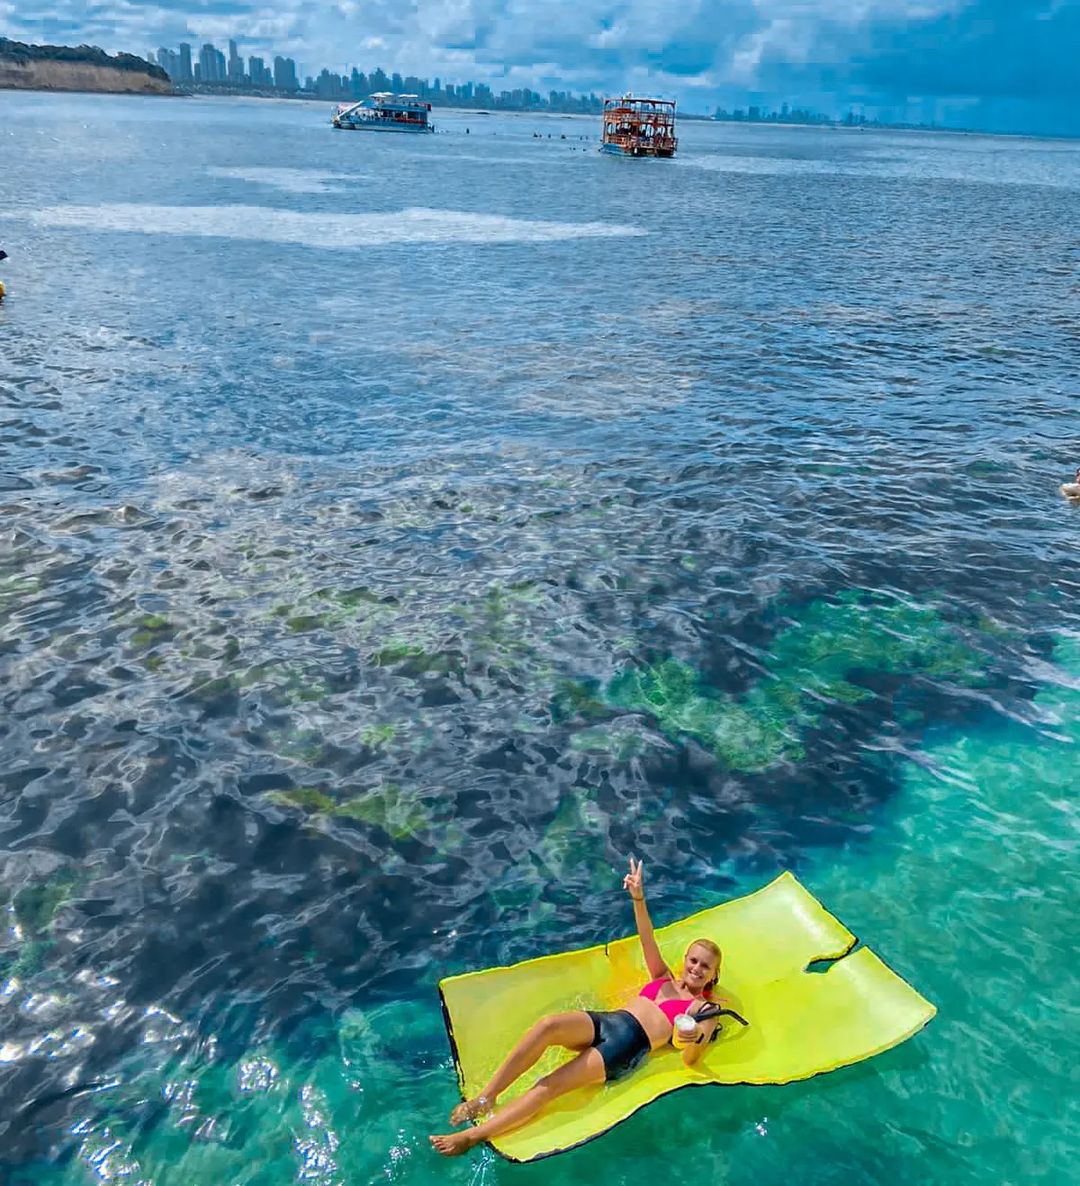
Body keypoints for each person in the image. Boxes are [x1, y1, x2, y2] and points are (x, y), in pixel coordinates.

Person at [429, 857, 725, 1157]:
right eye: (694, 960)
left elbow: (691, 1057)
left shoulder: (703, 1008)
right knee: (548, 1026)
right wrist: (638, 897)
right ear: (685, 960)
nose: (697, 968)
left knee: (549, 1085)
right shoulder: (662, 977)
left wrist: (691, 1039)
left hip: (627, 1045)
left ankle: (472, 1136)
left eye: (706, 966)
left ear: (714, 974)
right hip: (609, 1021)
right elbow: (646, 936)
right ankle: (486, 1098)